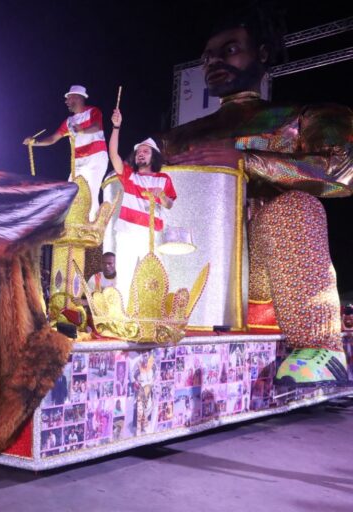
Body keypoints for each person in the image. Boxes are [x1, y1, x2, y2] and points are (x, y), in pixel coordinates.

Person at [158, 7, 352, 386]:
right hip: (186, 267)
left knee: (295, 208)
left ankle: (319, 346)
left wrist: (247, 161)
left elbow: (343, 173)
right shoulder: (174, 139)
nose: (214, 62)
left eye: (229, 50)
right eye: (207, 58)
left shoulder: (301, 118)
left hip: (260, 273)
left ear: (262, 54)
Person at [107, 114, 176, 300]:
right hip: (127, 233)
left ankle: (154, 313)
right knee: (124, 278)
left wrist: (161, 196)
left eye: (145, 151)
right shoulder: (129, 175)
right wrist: (116, 127)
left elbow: (169, 204)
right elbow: (113, 155)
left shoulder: (163, 179)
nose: (141, 153)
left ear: (153, 156)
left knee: (154, 279)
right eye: (138, 151)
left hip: (151, 235)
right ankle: (122, 315)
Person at [23, 85, 108, 221]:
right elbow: (53, 138)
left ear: (77, 98)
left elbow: (97, 127)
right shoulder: (69, 121)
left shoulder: (93, 111)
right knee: (71, 192)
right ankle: (70, 226)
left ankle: (91, 227)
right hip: (78, 162)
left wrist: (82, 131)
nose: (66, 101)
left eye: (68, 98)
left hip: (95, 159)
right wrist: (35, 142)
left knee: (90, 193)